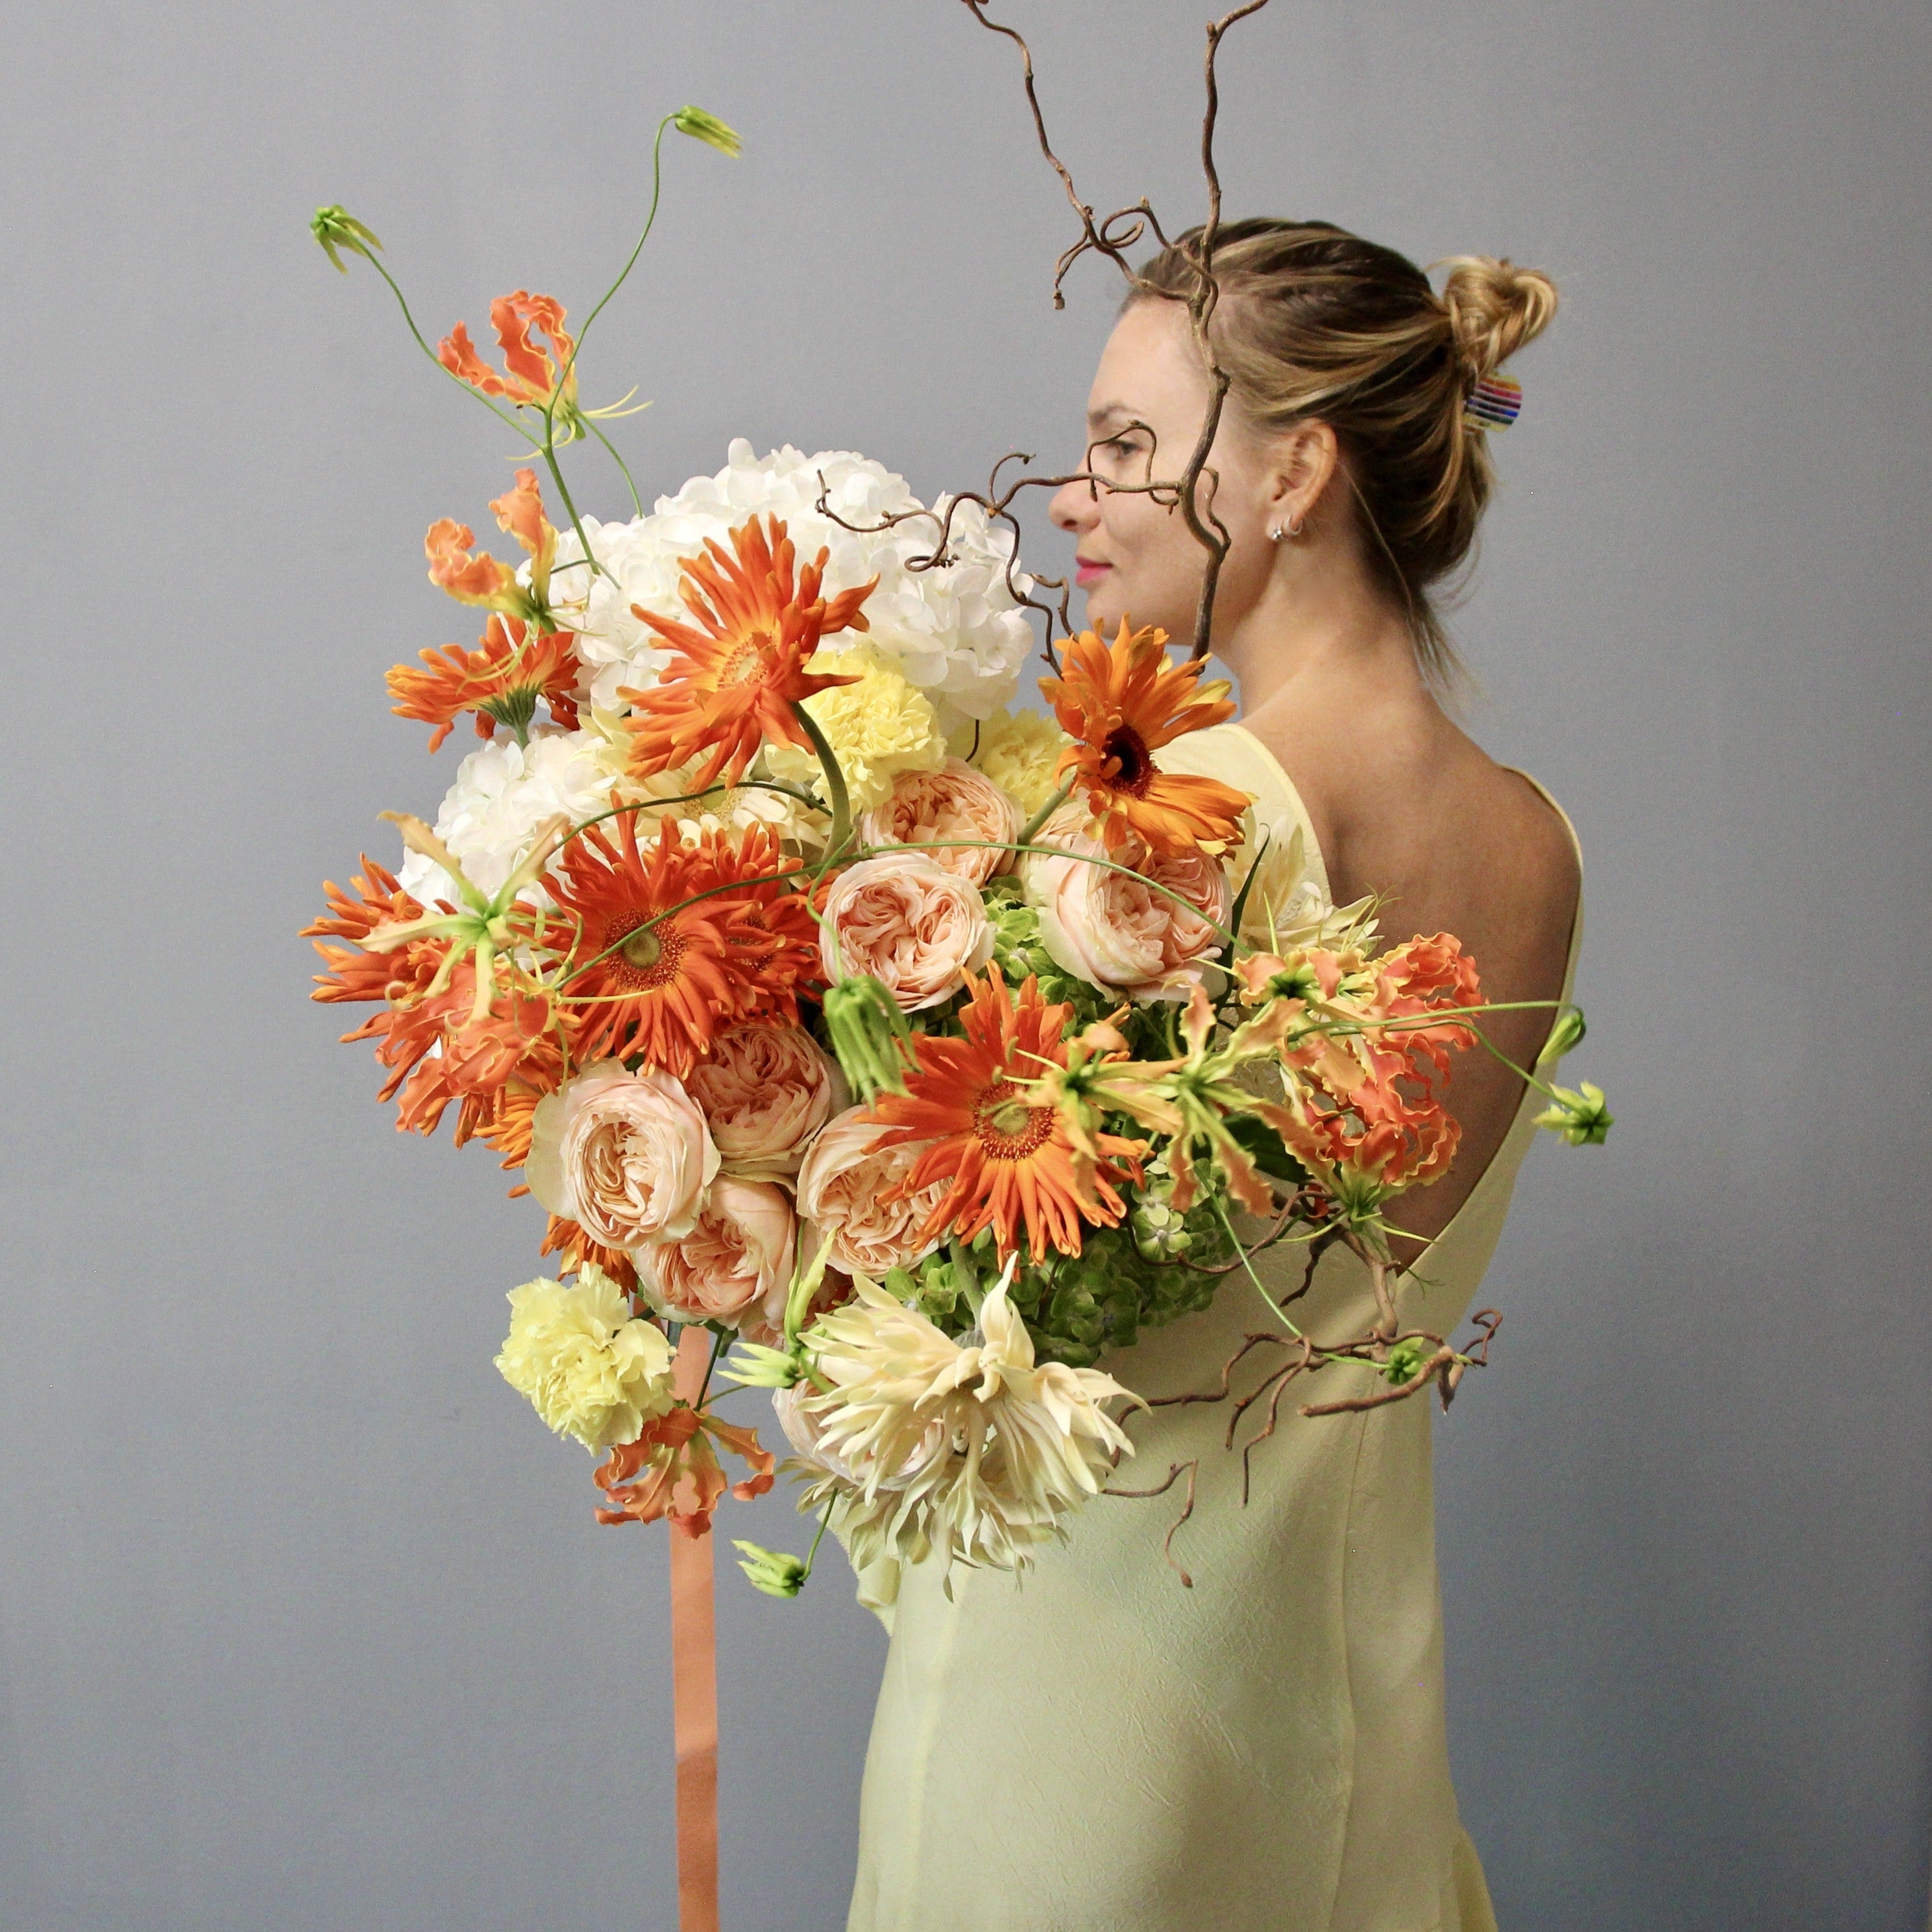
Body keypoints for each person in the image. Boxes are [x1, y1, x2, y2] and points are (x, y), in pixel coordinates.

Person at [845, 219, 1581, 1932]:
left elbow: (1005, 1272)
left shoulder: (1189, 816)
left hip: (1082, 1702)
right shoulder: (1537, 841)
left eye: (1120, 445)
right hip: (1350, 1695)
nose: (1072, 498)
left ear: (1295, 471)